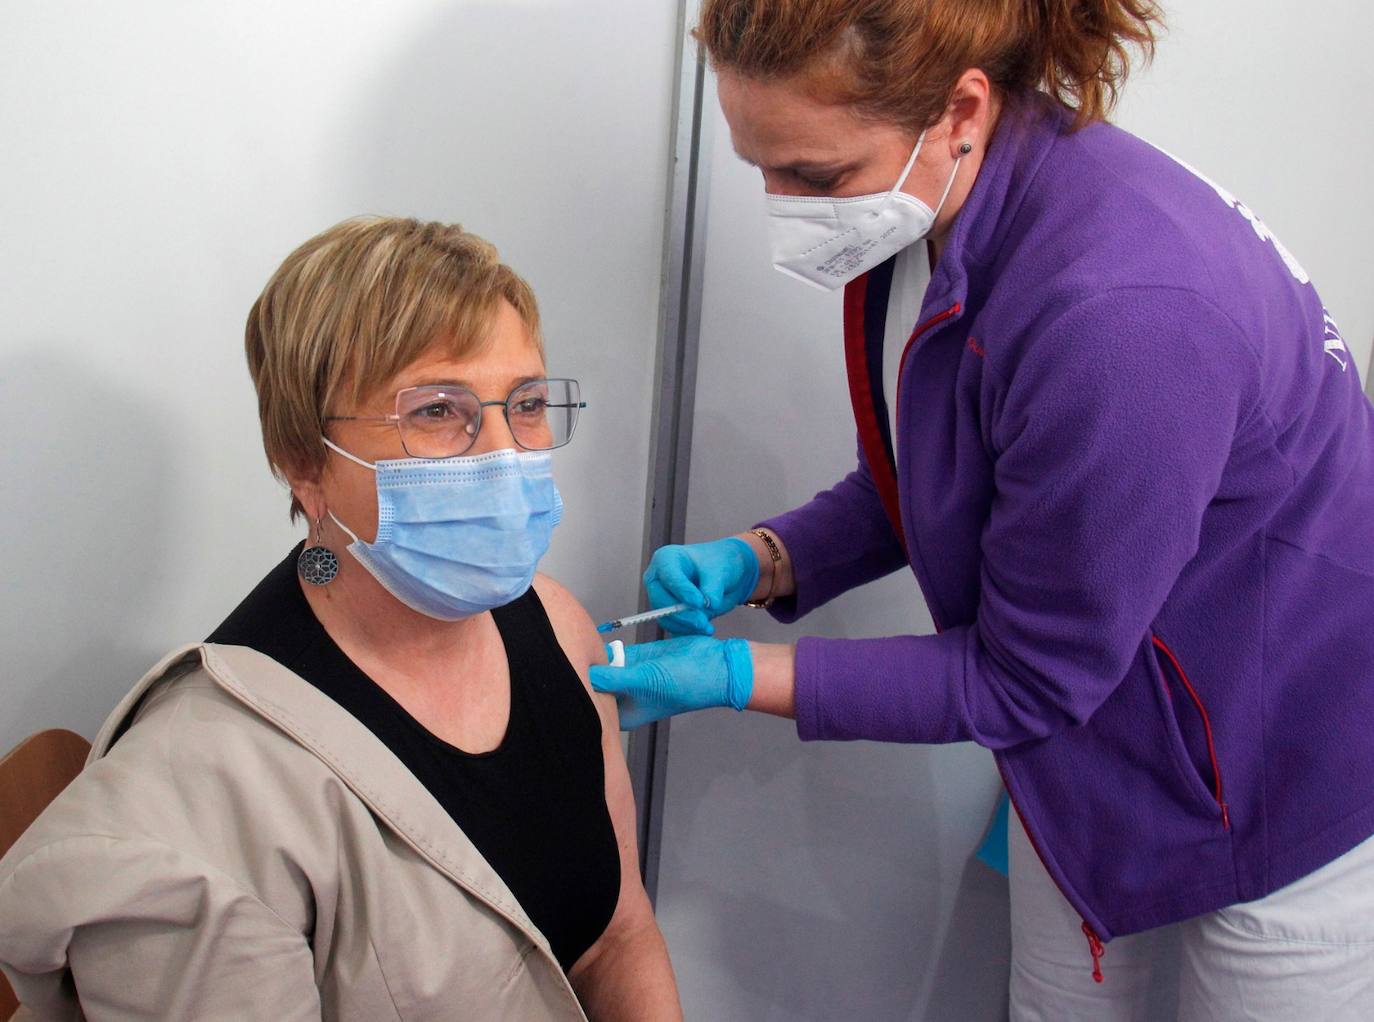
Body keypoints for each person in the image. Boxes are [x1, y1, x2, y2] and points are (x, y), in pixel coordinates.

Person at [590, 2, 1374, 1019]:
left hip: (1288, 759)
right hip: (1094, 737)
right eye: (761, 167)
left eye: (816, 176)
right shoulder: (928, 207)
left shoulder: (1119, 310)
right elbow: (951, 471)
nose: (786, 206)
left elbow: (1028, 673)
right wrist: (768, 558)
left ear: (959, 108)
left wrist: (738, 675)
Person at [0, 217, 682, 1021]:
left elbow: (618, 935)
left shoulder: (554, 623)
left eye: (526, 404)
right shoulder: (199, 813)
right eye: (436, 411)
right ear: (303, 460)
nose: (506, 457)